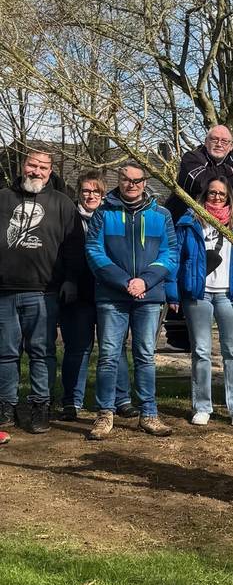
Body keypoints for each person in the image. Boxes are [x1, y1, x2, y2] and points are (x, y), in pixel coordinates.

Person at [85, 160, 178, 439]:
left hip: (148, 297)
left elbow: (170, 253)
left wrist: (145, 281)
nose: (132, 185)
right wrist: (123, 281)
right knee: (109, 356)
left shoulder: (161, 215)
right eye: (126, 179)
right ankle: (105, 414)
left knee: (145, 356)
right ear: (119, 179)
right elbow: (93, 250)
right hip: (112, 295)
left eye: (138, 180)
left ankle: (149, 413)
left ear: (146, 182)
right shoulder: (103, 212)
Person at [0, 148, 83, 434]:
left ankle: (40, 406)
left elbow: (74, 247)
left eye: (43, 167)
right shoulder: (3, 199)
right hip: (4, 291)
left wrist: (71, 280)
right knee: (5, 353)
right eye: (32, 165)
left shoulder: (62, 204)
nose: (36, 171)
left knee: (42, 352)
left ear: (50, 172)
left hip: (44, 292)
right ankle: (6, 406)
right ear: (24, 166)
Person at [169, 179, 233, 427]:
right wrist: (173, 293)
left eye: (222, 193)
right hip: (198, 294)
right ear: (204, 195)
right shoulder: (190, 220)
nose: (217, 197)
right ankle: (202, 406)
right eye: (212, 193)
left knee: (232, 353)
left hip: (229, 294)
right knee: (201, 351)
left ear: (229, 196)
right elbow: (176, 257)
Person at [57, 171, 133, 422]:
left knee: (115, 348)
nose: (91, 196)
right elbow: (63, 252)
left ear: (103, 194)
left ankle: (121, 399)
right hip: (79, 291)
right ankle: (72, 401)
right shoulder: (69, 218)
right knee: (78, 347)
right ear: (79, 193)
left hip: (111, 291)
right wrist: (68, 280)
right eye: (86, 191)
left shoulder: (113, 217)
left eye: (96, 192)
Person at [165, 125, 233, 221]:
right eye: (214, 139)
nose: (219, 144)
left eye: (224, 141)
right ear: (206, 142)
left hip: (225, 222)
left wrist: (208, 176)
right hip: (186, 222)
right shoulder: (192, 157)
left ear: (231, 146)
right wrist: (226, 170)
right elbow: (197, 182)